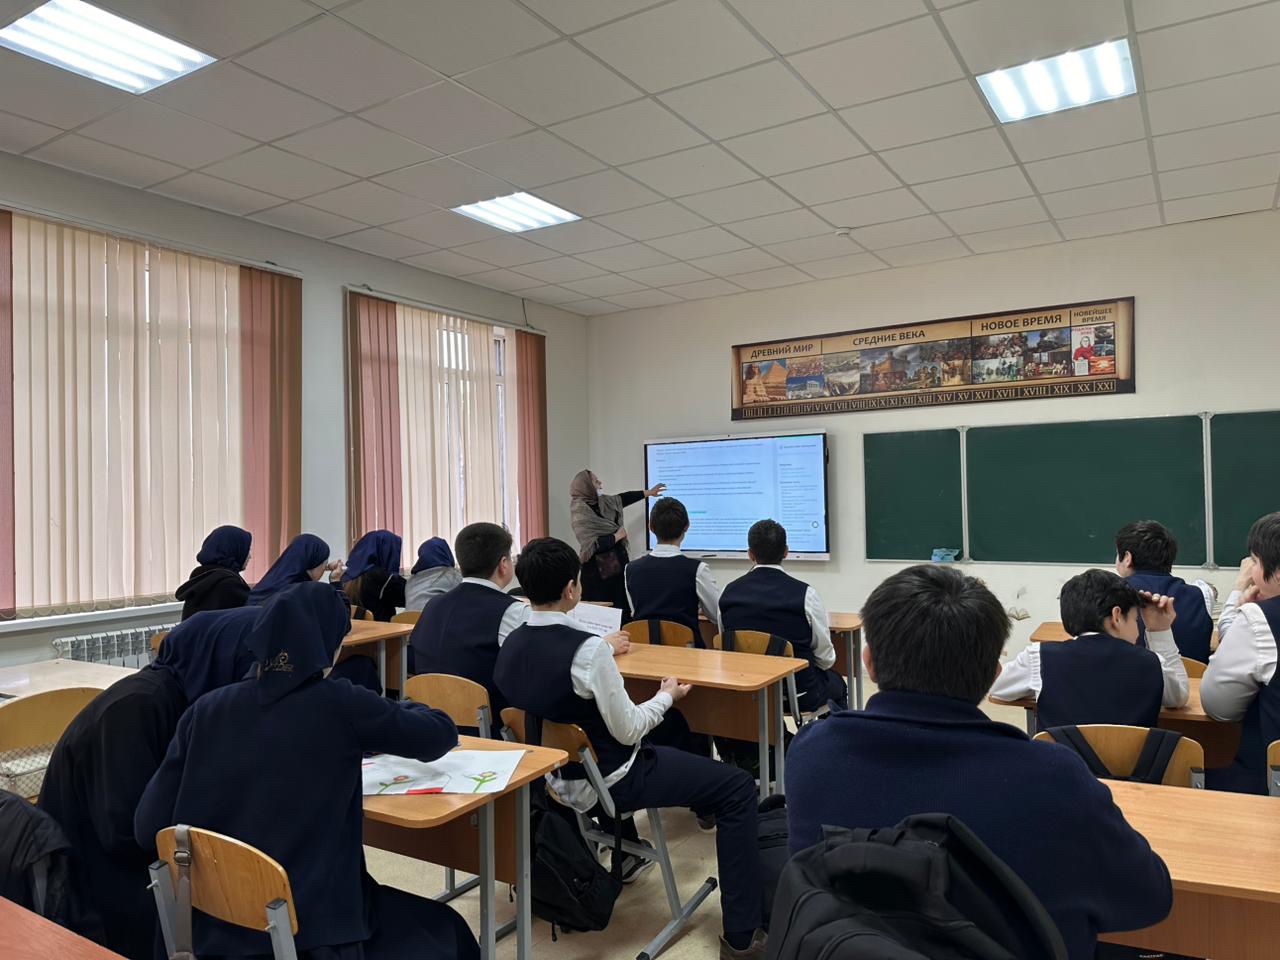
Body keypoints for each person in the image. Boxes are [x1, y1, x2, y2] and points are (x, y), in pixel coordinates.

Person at [787, 565, 1172, 960]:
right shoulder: (1054, 776)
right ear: (993, 676)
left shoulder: (813, 753)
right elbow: (1150, 898)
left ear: (867, 661)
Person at [134, 582, 476, 960]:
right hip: (313, 933)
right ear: (330, 647)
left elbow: (147, 828)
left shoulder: (204, 710)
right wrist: (404, 707)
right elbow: (438, 735)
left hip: (206, 931)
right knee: (451, 931)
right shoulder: (341, 704)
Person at [494, 538, 765, 959]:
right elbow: (630, 731)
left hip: (552, 779)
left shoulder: (511, 642)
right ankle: (743, 937)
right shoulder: (586, 652)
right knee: (738, 788)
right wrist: (667, 696)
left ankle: (627, 853)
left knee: (668, 727)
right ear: (571, 589)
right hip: (613, 779)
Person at [38, 608, 261, 959]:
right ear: (220, 660)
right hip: (91, 875)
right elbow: (125, 833)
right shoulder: (138, 707)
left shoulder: (179, 698)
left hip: (125, 856)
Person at [991, 569, 1188, 730]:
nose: (1137, 631)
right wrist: (1160, 630)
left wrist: (1042, 687)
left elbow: (997, 688)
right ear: (1116, 616)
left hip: (1060, 766)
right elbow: (1179, 697)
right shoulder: (1153, 663)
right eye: (1136, 620)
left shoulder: (1039, 657)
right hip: (1133, 767)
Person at [718, 519, 846, 712]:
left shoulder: (727, 594)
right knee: (838, 684)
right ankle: (827, 732)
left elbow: (726, 645)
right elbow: (826, 659)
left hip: (747, 692)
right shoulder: (806, 595)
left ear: (750, 554)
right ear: (786, 551)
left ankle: (778, 731)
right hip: (799, 695)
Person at [409, 523, 528, 715]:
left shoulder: (433, 605)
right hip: (488, 722)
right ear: (504, 564)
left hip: (430, 717)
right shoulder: (511, 611)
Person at [1201, 512, 1280, 794]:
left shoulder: (1260, 618)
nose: (1251, 572)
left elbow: (1219, 707)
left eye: (1255, 562)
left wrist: (1242, 613)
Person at [569, 469, 665, 620]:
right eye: (596, 481)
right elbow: (591, 546)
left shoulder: (604, 502)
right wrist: (617, 536)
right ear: (586, 486)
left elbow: (623, 498)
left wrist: (649, 492)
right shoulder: (580, 511)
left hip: (617, 566)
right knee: (602, 615)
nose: (600, 483)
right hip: (597, 574)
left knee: (622, 610)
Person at [1115, 520, 1216, 662]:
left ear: (1127, 558)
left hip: (1133, 675)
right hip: (1192, 675)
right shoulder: (1198, 596)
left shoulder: (1113, 595)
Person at [624, 497, 720, 639]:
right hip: (687, 649)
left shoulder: (630, 569)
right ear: (687, 526)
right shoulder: (697, 570)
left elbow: (635, 611)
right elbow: (717, 614)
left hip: (643, 649)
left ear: (650, 527)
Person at [175, 525, 252, 620]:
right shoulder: (230, 584)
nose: (250, 556)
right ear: (234, 550)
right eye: (247, 550)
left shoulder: (202, 575)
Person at [248, 533, 343, 605]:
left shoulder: (268, 583)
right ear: (313, 563)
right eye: (324, 564)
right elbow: (340, 618)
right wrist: (335, 581)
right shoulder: (306, 593)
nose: (324, 569)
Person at [342, 530, 406, 622]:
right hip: (382, 630)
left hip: (354, 630)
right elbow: (409, 597)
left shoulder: (346, 576)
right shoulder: (382, 577)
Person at [405, 537, 462, 612]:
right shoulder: (452, 576)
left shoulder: (411, 581)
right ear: (447, 554)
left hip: (408, 618)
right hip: (437, 618)